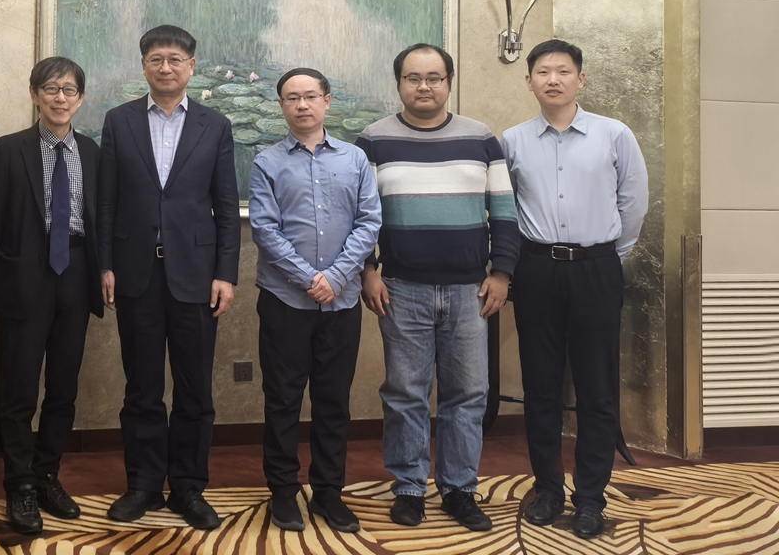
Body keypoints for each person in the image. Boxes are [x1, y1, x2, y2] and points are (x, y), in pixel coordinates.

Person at [355, 44, 520, 532]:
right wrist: (367, 270)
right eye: (413, 78)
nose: (423, 86)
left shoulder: (481, 138)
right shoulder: (373, 140)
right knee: (405, 393)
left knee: (467, 394)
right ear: (399, 83)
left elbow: (504, 211)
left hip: (471, 290)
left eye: (434, 77)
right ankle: (409, 488)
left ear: (448, 82)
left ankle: (459, 489)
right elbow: (360, 214)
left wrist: (502, 273)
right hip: (401, 288)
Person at [502, 39, 648, 540]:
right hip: (536, 270)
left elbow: (633, 204)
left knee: (596, 388)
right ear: (529, 82)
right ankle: (548, 490)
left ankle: (590, 498)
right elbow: (504, 208)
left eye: (563, 71)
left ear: (580, 79)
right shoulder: (513, 141)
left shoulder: (614, 134)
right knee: (540, 387)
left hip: (595, 269)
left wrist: (606, 257)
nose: (553, 79)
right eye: (543, 72)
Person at [98, 24, 241, 530]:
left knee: (194, 389)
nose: (165, 67)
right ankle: (142, 484)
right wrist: (106, 264)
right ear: (144, 65)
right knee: (141, 387)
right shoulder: (119, 121)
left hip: (197, 276)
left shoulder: (214, 125)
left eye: (175, 59)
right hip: (135, 273)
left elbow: (227, 208)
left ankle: (188, 486)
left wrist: (226, 273)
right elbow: (106, 201)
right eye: (156, 59)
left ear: (191, 67)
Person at [249, 68, 382, 533]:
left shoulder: (355, 159)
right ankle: (283, 493)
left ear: (327, 101)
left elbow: (369, 221)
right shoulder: (266, 162)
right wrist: (311, 279)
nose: (302, 105)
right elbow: (264, 229)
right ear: (281, 106)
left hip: (341, 304)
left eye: (310, 96)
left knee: (333, 403)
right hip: (285, 301)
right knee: (282, 400)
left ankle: (328, 493)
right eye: (292, 98)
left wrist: (338, 276)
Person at [0, 57, 103, 535]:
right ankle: (19, 484)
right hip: (25, 277)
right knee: (18, 388)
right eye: (51, 89)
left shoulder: (91, 151)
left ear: (80, 98)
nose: (60, 98)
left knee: (63, 386)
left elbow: (100, 219)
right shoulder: (9, 149)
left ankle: (47, 474)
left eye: (69, 90)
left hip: (76, 272)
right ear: (34, 94)